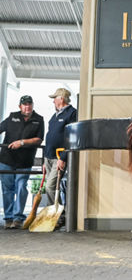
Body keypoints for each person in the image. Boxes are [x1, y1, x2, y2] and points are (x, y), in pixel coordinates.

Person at [0, 95, 44, 229]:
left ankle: (18, 217)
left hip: (25, 161)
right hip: (6, 159)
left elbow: (38, 140)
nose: (27, 107)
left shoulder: (38, 120)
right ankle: (8, 217)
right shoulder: (12, 117)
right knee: (7, 189)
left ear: (32, 105)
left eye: (29, 104)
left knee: (21, 188)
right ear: (20, 106)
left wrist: (22, 143)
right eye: (25, 104)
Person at [43, 88, 77, 227]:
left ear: (61, 99)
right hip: (49, 157)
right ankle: (58, 215)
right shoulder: (54, 116)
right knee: (50, 186)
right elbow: (50, 135)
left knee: (50, 187)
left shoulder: (72, 114)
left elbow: (71, 137)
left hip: (59, 157)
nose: (53, 101)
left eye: (55, 98)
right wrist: (45, 159)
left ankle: (58, 216)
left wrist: (63, 157)